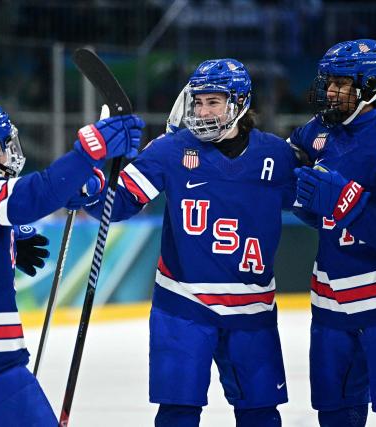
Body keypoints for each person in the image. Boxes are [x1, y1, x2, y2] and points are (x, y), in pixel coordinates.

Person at [70, 58, 308, 427]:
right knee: (178, 413)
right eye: (197, 102)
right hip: (183, 305)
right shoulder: (169, 150)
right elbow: (116, 206)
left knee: (260, 413)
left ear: (239, 103)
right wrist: (89, 183)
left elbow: (313, 210)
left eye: (213, 102)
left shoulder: (276, 155)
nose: (202, 110)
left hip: (253, 311)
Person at [0, 102, 143, 426]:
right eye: (4, 145)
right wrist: (89, 151)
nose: (10, 152)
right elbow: (36, 195)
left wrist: (13, 240)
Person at [289, 39, 376, 426]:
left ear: (372, 86)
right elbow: (274, 167)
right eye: (329, 82)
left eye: (342, 83)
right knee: (335, 411)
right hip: (327, 302)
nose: (330, 92)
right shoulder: (316, 131)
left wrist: (343, 204)